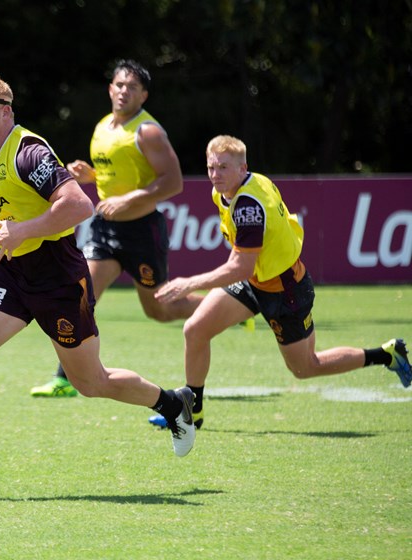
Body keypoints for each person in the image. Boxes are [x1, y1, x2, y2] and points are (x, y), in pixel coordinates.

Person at [0, 75, 196, 494]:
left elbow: (79, 205)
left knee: (90, 383)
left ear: (5, 113)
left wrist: (23, 230)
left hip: (58, 275)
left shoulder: (29, 152)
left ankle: (172, 403)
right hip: (11, 271)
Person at [150, 134, 410, 428]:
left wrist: (189, 283)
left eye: (223, 167)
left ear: (242, 167)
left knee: (306, 367)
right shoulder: (232, 188)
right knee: (195, 330)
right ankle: (191, 412)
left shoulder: (248, 206)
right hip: (256, 280)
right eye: (211, 167)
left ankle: (386, 355)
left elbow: (240, 267)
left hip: (285, 290)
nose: (215, 174)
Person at [29, 59, 204, 400]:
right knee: (79, 294)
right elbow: (117, 176)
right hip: (105, 229)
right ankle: (65, 377)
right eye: (120, 85)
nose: (124, 91)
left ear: (144, 95)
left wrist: (129, 200)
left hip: (142, 231)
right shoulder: (103, 127)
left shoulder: (148, 131)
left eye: (133, 87)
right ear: (110, 89)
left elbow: (173, 182)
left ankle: (225, 307)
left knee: (159, 309)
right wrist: (91, 177)